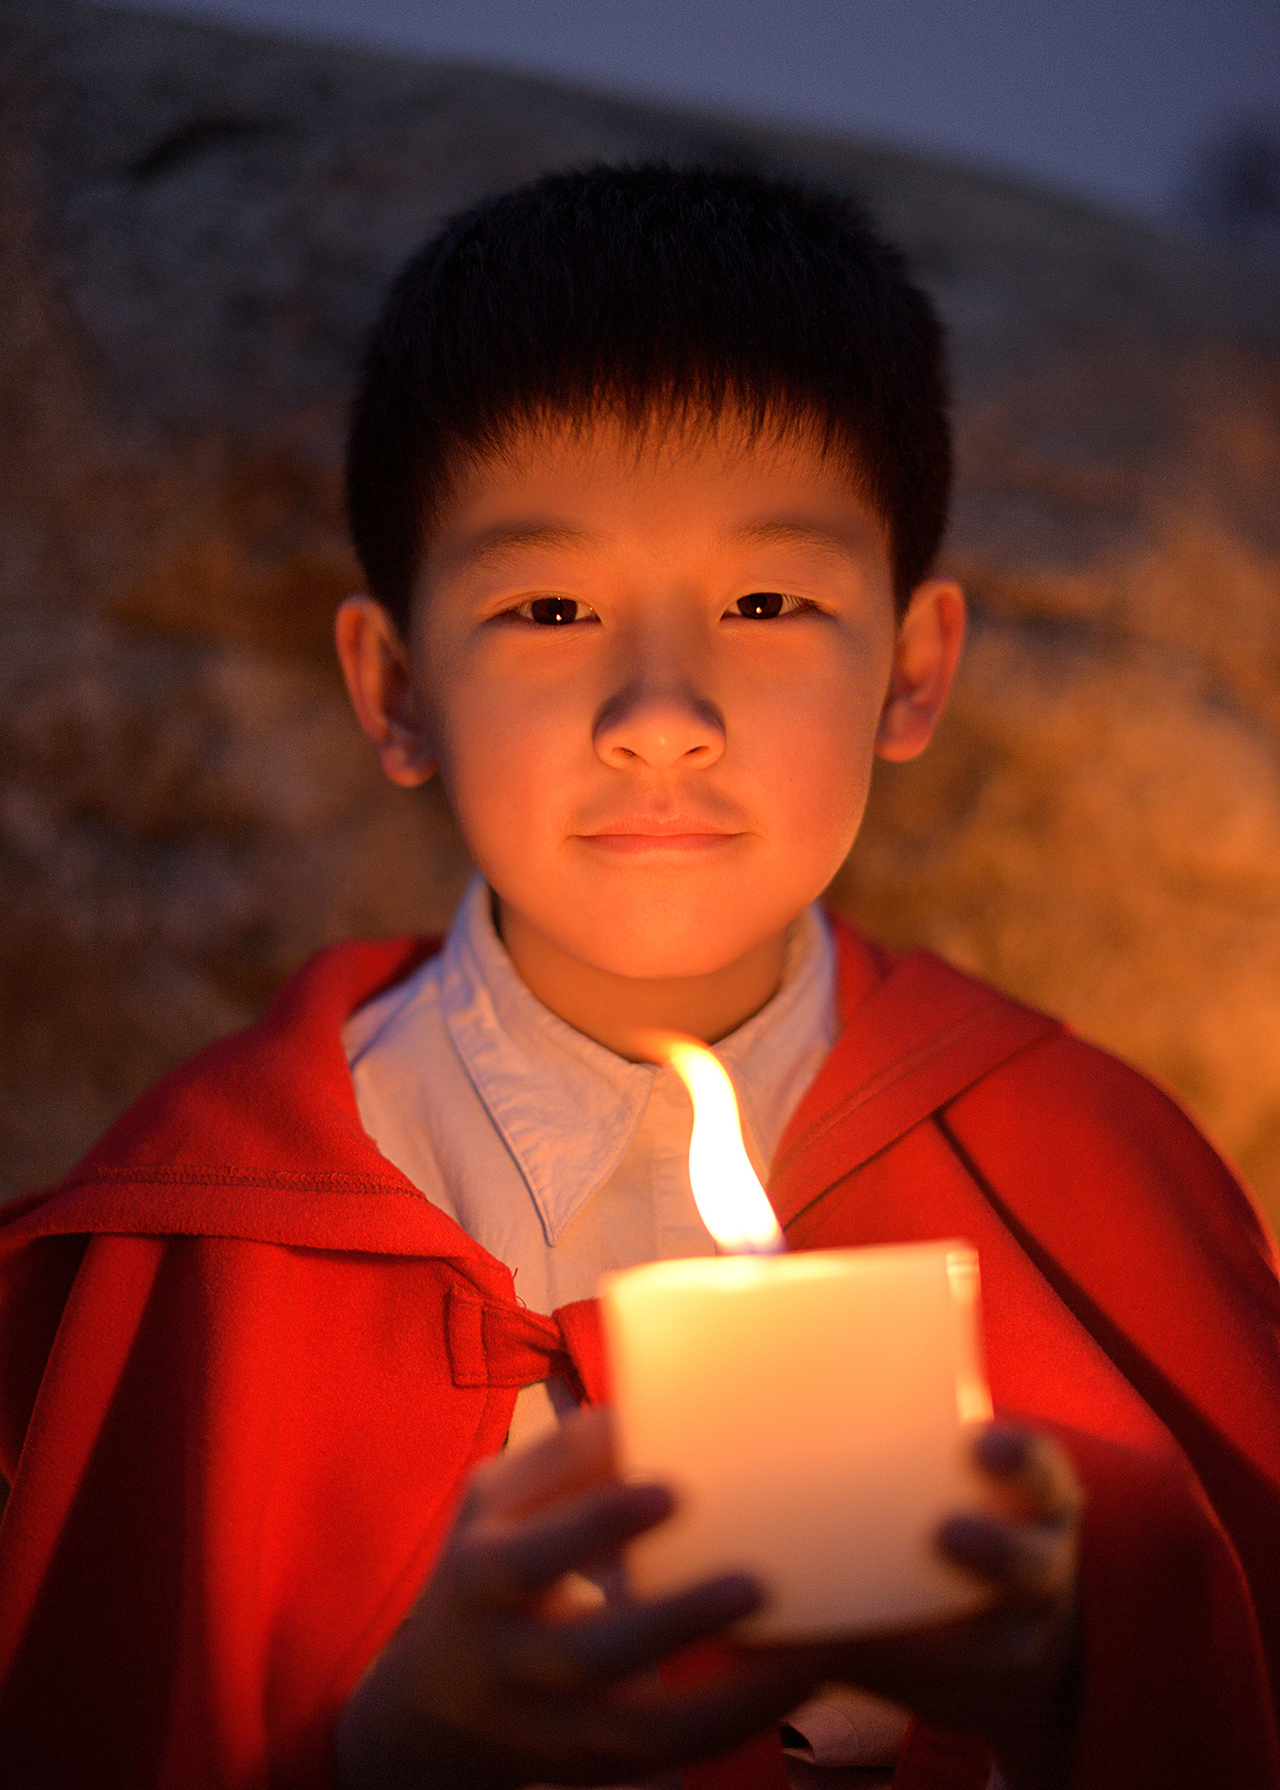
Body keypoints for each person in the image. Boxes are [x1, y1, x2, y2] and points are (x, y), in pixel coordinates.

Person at [1, 164, 1277, 1790]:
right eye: (547, 603)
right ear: (395, 689)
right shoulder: (200, 1230)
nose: (659, 712)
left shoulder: (1092, 1171)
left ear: (915, 665)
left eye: (768, 599)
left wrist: (1064, 1689)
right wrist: (392, 1751)